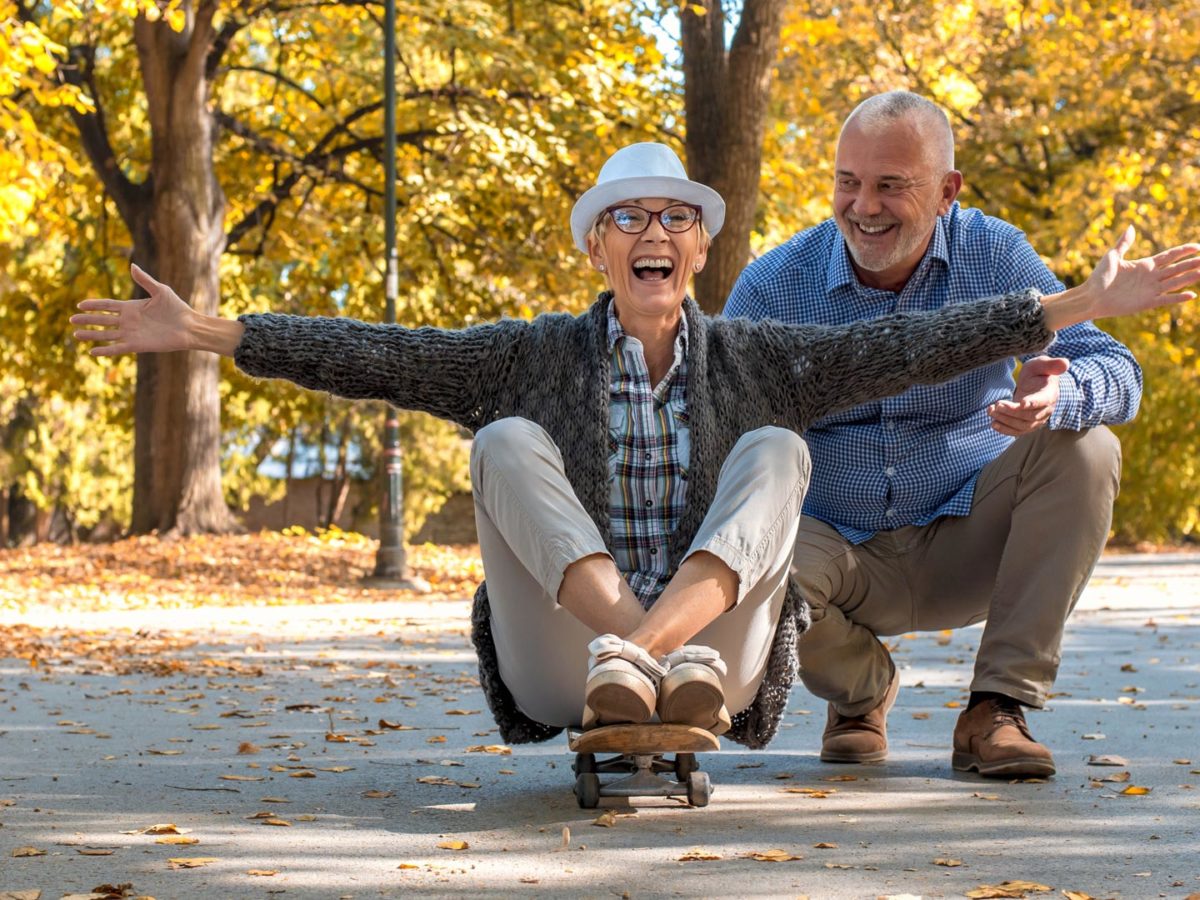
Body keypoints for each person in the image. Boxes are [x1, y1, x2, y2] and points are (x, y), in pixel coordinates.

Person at [73, 142, 1199, 757]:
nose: (651, 232)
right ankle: (631, 651)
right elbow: (382, 354)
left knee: (772, 449)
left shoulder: (759, 355)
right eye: (627, 218)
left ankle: (659, 654)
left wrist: (1065, 305)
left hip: (720, 668)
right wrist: (213, 332)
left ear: (701, 249)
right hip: (568, 662)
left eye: (674, 217)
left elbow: (917, 343)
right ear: (597, 250)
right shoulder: (530, 356)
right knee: (506, 441)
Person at [724, 90, 1155, 776]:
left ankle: (997, 709)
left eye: (891, 186)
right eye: (849, 182)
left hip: (968, 537)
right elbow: (721, 436)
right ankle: (863, 691)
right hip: (832, 548)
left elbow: (1117, 370)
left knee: (1088, 445)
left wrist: (1058, 393)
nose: (864, 207)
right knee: (735, 556)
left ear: (947, 190)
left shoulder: (995, 254)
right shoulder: (775, 285)